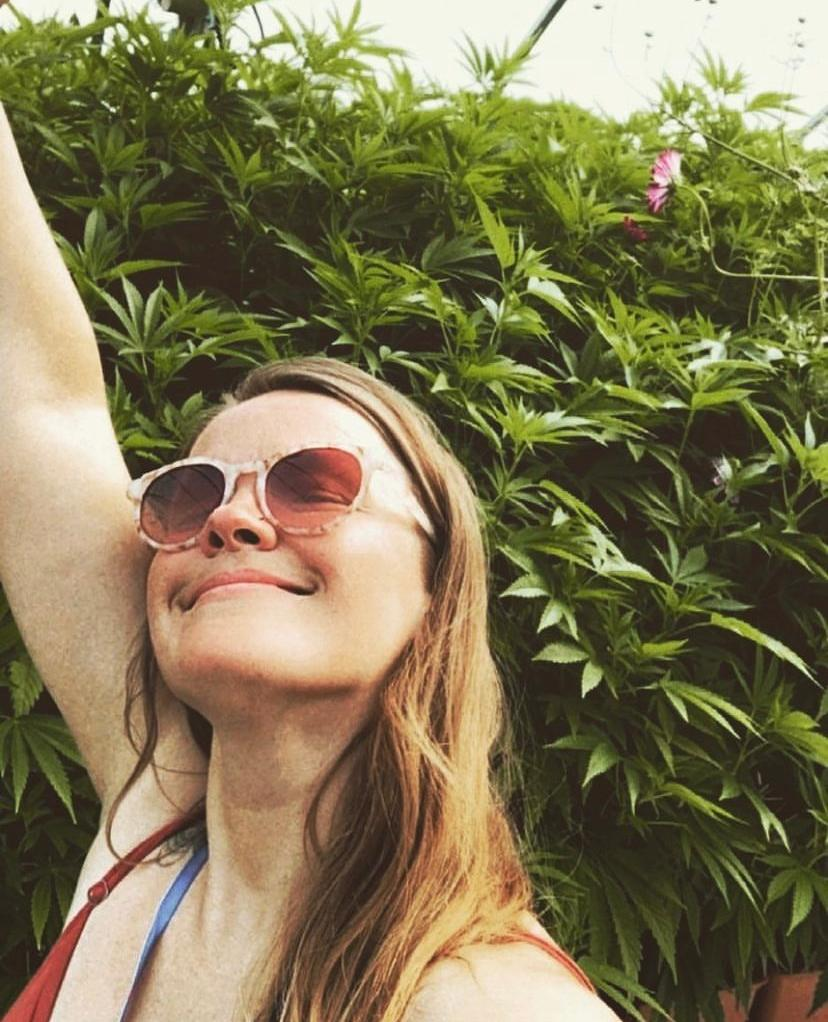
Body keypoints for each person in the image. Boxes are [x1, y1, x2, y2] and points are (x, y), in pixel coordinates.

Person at [0, 90, 619, 1022]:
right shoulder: (152, 831)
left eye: (313, 484)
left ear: (437, 584)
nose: (231, 519)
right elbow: (36, 399)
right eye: (189, 491)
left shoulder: (487, 1002)